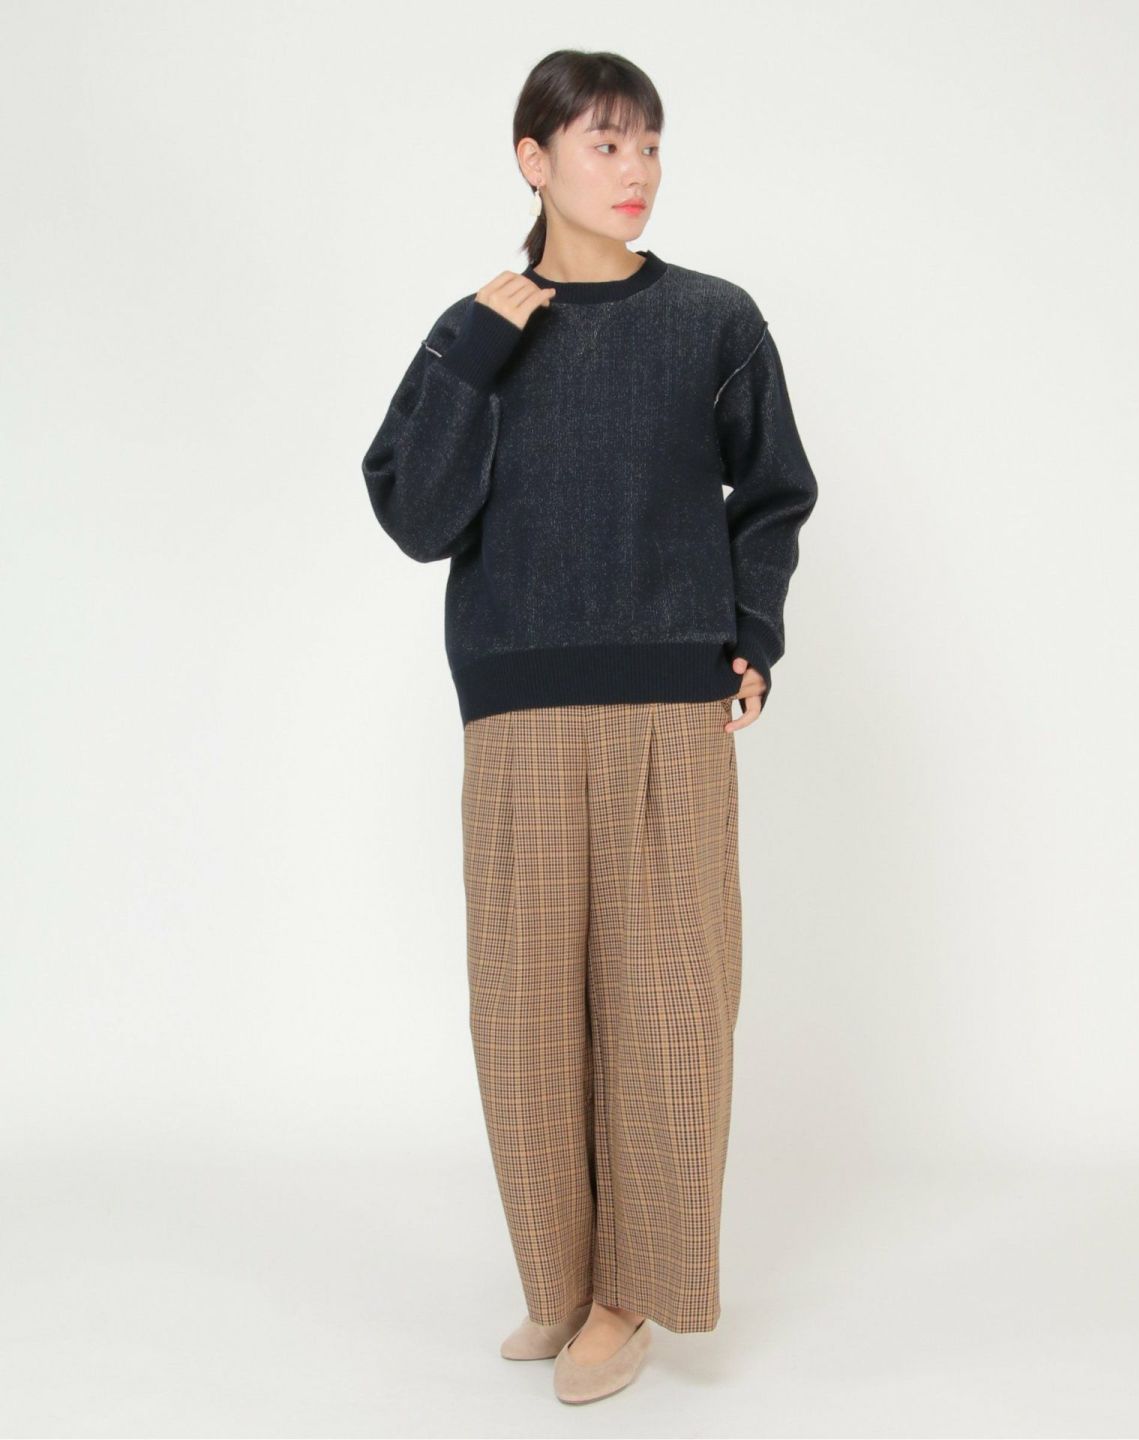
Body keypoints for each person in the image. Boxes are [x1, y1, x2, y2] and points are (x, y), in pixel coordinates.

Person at [360, 48, 819, 1404]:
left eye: (650, 144)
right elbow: (416, 516)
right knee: (525, 1016)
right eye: (606, 143)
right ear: (535, 158)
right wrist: (474, 355)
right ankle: (559, 1284)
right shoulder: (475, 329)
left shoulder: (714, 320)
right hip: (517, 713)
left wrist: (754, 633)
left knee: (669, 1007)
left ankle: (631, 1295)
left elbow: (774, 494)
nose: (637, 171)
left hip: (671, 708)